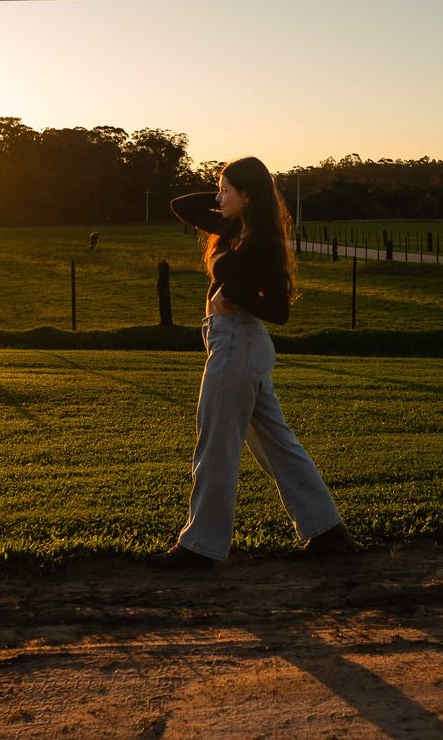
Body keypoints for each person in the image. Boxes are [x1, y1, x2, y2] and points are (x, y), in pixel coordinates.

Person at [147, 156, 348, 570]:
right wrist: (230, 196)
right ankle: (327, 531)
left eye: (224, 189)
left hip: (238, 344)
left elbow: (278, 309)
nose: (217, 197)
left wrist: (233, 292)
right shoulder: (238, 228)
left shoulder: (261, 242)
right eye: (218, 189)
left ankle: (199, 546)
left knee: (215, 447)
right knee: (278, 446)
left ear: (247, 195)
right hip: (238, 345)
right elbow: (181, 206)